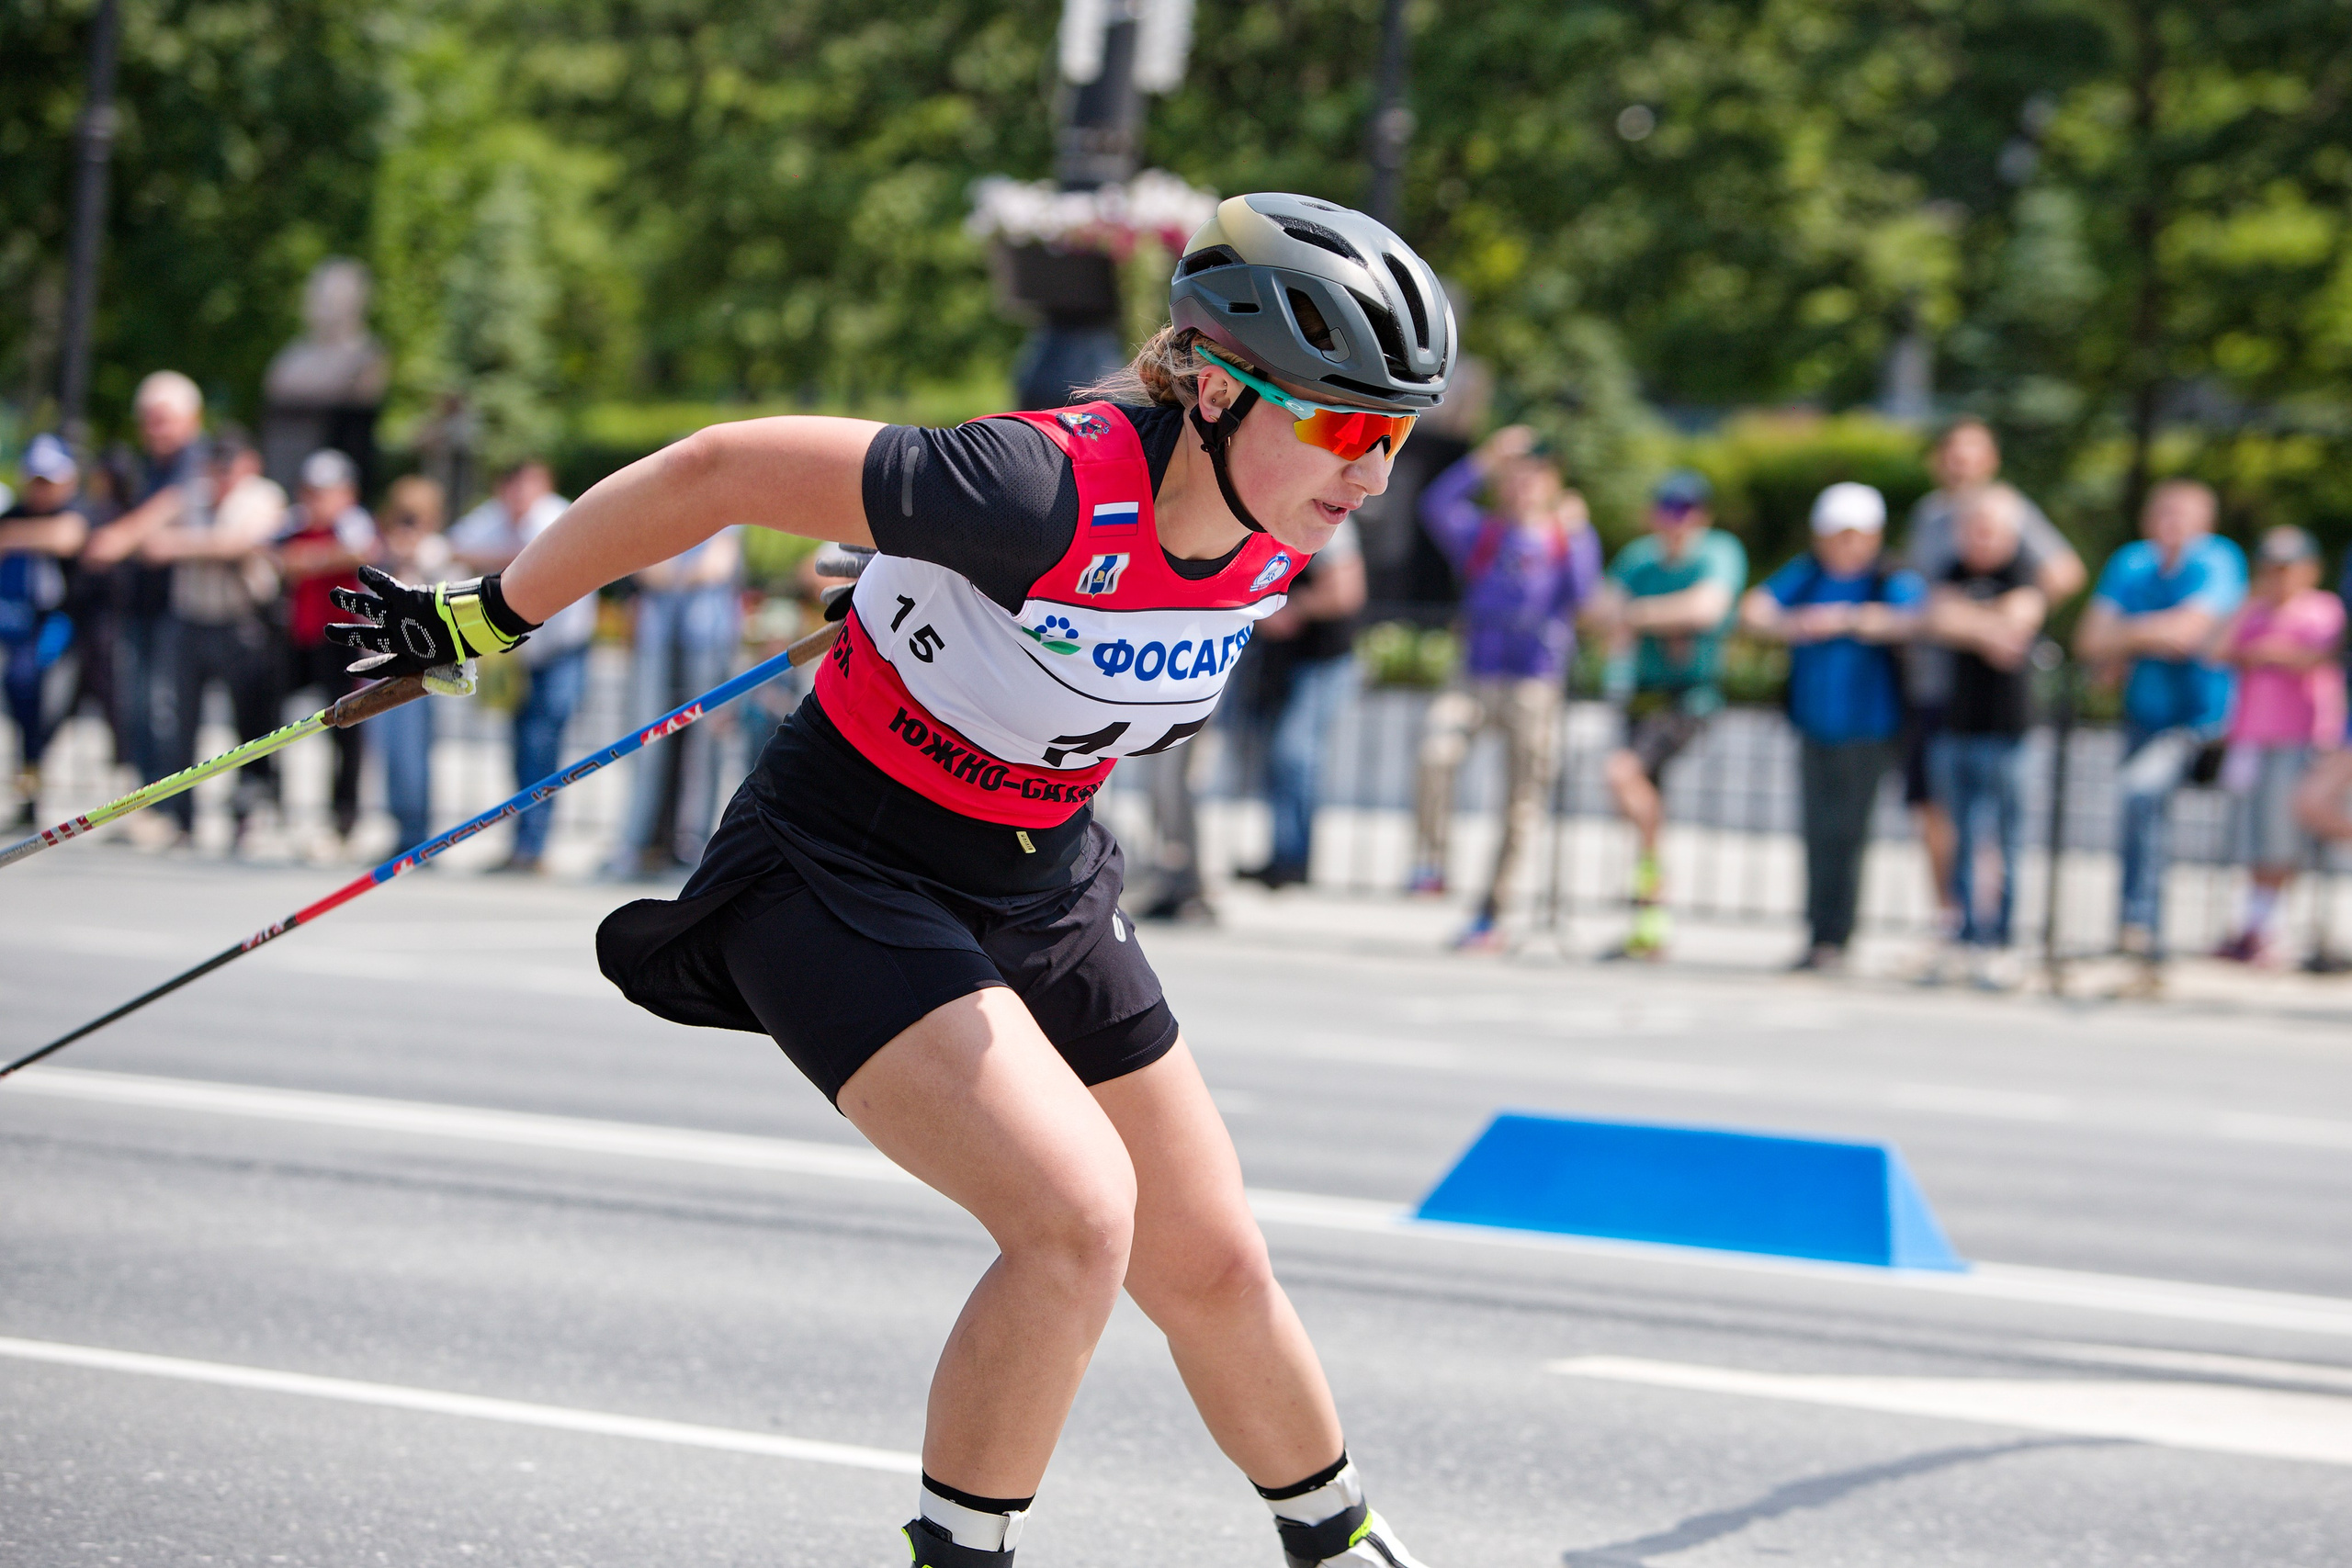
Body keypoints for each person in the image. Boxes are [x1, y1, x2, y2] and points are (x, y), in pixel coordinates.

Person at [325, 192, 1449, 1568]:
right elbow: (722, 468)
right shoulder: (1028, 483)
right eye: (1343, 423)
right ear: (1214, 385)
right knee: (1077, 1218)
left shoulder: (1282, 519)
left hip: (1041, 879)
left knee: (1210, 1257)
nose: (1374, 472)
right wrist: (486, 612)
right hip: (840, 864)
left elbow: (1089, 620)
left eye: (1396, 431)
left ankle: (1338, 1540)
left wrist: (920, 583)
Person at [1408, 423, 1600, 950]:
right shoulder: (1484, 532)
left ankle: (1494, 911)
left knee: (1521, 805)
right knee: (1436, 750)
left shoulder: (1565, 536)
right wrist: (1487, 456)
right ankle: (1433, 861)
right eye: (1515, 477)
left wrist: (1579, 535)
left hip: (1535, 681)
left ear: (1552, 482)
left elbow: (1586, 597)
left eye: (1535, 476)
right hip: (1475, 674)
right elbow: (1435, 504)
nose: (1524, 486)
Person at [1901, 419, 2085, 944]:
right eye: (1951, 452)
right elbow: (1927, 601)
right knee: (1936, 811)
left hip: (2001, 697)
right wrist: (1983, 628)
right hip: (1936, 683)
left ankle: (1993, 927)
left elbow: (2063, 572)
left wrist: (2011, 617)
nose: (1959, 463)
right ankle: (1951, 918)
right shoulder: (1930, 516)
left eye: (1970, 453)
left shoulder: (2010, 508)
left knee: (1999, 823)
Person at [1739, 482, 1923, 974]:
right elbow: (1755, 610)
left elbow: (1915, 619)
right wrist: (1793, 624)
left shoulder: (1889, 578)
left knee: (1848, 832)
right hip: (1813, 725)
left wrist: (1847, 620)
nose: (1844, 545)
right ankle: (1818, 933)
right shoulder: (1809, 575)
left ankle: (1838, 936)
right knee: (1817, 831)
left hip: (1869, 728)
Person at [2075, 479, 2247, 993]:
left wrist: (2125, 636)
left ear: (2205, 521)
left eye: (2182, 514)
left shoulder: (2217, 559)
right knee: (2139, 811)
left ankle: (2148, 925)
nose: (2169, 523)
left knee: (2146, 798)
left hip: (2202, 718)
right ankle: (2140, 927)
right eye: (2162, 512)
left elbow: (2191, 632)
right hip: (2144, 713)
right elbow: (2089, 640)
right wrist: (2152, 634)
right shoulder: (2131, 562)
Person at [1585, 469, 1748, 960]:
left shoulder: (1718, 551)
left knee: (1623, 775)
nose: (1677, 521)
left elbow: (1706, 610)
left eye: (1687, 511)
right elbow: (1600, 613)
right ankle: (1650, 913)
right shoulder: (1640, 558)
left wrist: (1637, 616)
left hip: (1688, 697)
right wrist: (1654, 616)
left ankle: (1654, 882)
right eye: (1668, 510)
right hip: (1644, 694)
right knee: (1643, 799)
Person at [1920, 487, 2048, 989]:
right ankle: (1967, 934)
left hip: (2009, 728)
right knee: (1963, 834)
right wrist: (1985, 628)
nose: (1980, 538)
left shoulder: (2022, 570)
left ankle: (2004, 938)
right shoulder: (1952, 569)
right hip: (1958, 723)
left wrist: (1967, 623)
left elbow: (2018, 623)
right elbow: (1937, 618)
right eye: (1972, 527)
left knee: (2009, 836)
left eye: (1990, 528)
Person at [138, 431, 288, 848]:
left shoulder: (261, 497)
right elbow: (147, 536)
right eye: (214, 466)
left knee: (250, 724)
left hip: (240, 622)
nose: (220, 476)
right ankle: (181, 818)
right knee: (180, 722)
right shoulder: (191, 494)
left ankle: (247, 815)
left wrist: (176, 544)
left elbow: (235, 544)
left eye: (228, 466)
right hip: (191, 620)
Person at [449, 458, 594, 873]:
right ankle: (524, 843)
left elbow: (541, 556)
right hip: (518, 655)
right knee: (520, 748)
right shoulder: (493, 518)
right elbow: (454, 546)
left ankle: (533, 844)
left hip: (562, 650)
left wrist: (497, 560)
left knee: (543, 742)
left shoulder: (558, 514)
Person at [2213, 526, 2343, 964]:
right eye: (2270, 569)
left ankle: (2270, 928)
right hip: (2250, 736)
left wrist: (2269, 650)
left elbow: (2317, 656)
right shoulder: (2253, 610)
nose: (2278, 578)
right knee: (2251, 835)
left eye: (2286, 569)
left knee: (2280, 834)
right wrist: (2249, 605)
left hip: (2300, 736)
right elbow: (2215, 651)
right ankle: (2253, 925)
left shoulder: (2323, 609)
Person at [81, 371, 210, 791]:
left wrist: (120, 538)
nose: (155, 429)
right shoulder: (150, 466)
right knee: (136, 702)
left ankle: (165, 802)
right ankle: (145, 796)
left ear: (192, 418)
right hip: (143, 603)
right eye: (149, 419)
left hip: (184, 607)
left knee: (163, 706)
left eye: (164, 418)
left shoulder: (197, 460)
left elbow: (172, 504)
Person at [1234, 512, 1366, 890]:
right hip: (1293, 663)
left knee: (1293, 756)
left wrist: (1286, 610)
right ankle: (1285, 857)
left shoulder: (1327, 521)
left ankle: (1293, 861)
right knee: (1280, 758)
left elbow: (1345, 592)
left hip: (1324, 660)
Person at [605, 526, 744, 877]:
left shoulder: (728, 508)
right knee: (647, 743)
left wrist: (672, 573)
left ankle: (693, 842)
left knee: (704, 750)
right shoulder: (660, 504)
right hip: (656, 642)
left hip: (707, 644)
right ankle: (636, 840)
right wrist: (686, 574)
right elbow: (646, 569)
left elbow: (718, 566)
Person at [276, 449, 377, 850]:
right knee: (274, 721)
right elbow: (269, 552)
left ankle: (344, 818)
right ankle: (272, 803)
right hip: (300, 637)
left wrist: (309, 559)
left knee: (346, 727)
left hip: (342, 641)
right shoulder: (295, 522)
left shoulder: (351, 522)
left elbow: (362, 551)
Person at [0, 434, 91, 824]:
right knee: (21, 695)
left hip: (62, 626)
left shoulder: (77, 511)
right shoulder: (15, 513)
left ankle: (37, 768)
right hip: (18, 626)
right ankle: (29, 784)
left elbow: (67, 536)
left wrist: (17, 539)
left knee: (52, 705)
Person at [368, 476, 451, 851]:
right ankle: (399, 828)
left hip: (424, 667)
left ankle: (416, 834)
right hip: (384, 661)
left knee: (414, 752)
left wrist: (410, 554)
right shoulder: (380, 550)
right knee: (388, 751)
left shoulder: (437, 551)